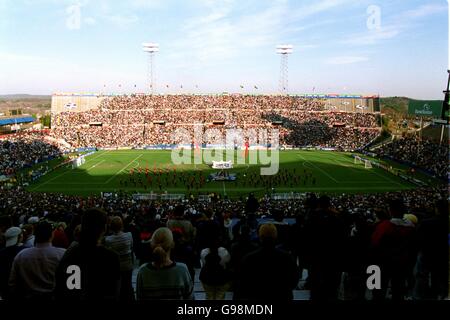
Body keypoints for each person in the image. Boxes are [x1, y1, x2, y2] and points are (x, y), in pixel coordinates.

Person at [55, 208, 121, 301]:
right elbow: (114, 293)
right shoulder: (111, 257)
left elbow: (64, 290)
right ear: (104, 228)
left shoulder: (70, 253)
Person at [234, 223, 299, 300]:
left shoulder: (249, 259)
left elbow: (242, 284)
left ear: (260, 237)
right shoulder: (287, 257)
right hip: (282, 296)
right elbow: (294, 281)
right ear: (275, 237)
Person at [9, 221, 65, 300]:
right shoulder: (62, 254)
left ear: (35, 235)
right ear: (52, 235)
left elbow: (12, 283)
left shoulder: (21, 255)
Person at [136, 227, 193, 300]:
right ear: (172, 244)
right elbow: (190, 298)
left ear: (152, 244)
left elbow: (139, 298)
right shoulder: (182, 270)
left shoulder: (143, 271)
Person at [105, 216, 134, 301]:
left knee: (117, 287)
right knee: (128, 285)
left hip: (115, 267)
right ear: (122, 226)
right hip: (128, 265)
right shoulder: (129, 235)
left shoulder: (108, 239)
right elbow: (131, 248)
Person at [0, 227, 26, 300]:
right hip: (21, 288)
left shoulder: (2, 252)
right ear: (20, 236)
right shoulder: (24, 251)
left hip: (5, 288)